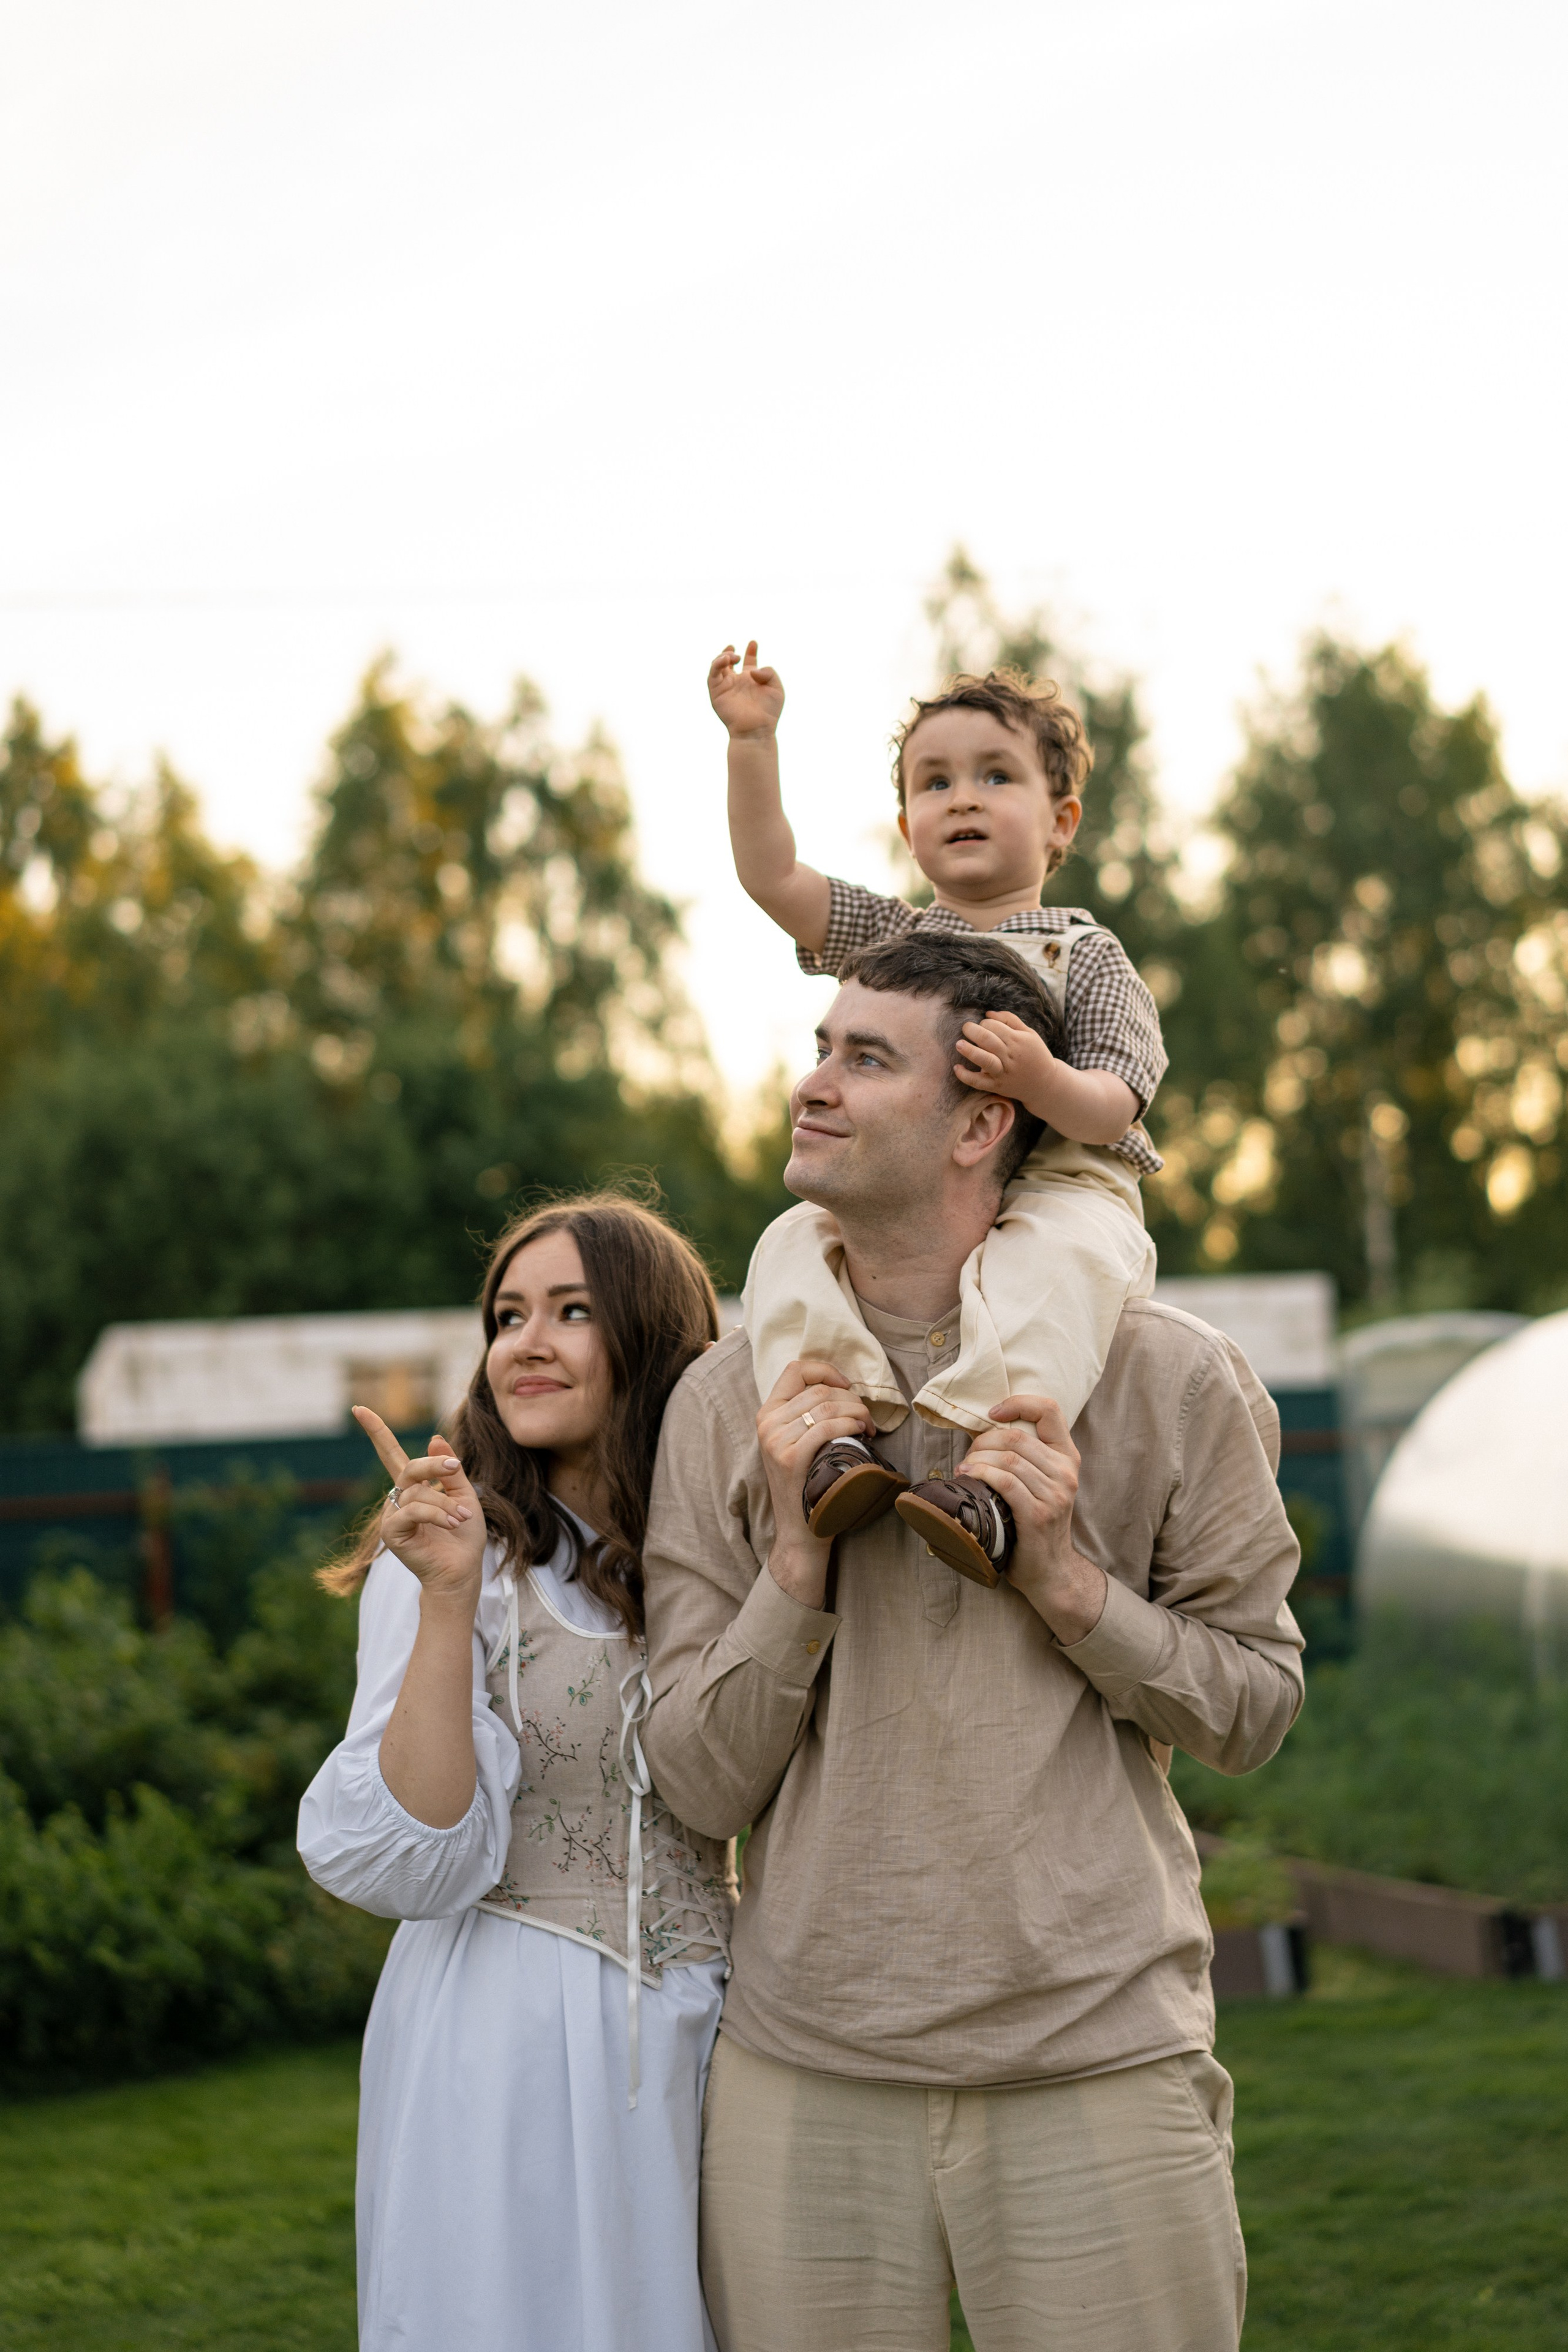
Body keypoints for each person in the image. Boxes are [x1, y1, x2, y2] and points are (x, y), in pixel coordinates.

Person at [640, 932, 1305, 2352]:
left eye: (862, 1058)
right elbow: (694, 1786)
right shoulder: (720, 1405)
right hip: (802, 2075)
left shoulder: (1170, 1377)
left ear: (981, 1119)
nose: (810, 1085)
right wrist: (796, 1560)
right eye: (820, 1048)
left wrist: (1067, 1584)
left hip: (1097, 2065)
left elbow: (1252, 1710)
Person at [298, 1194, 736, 2352]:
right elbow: (426, 1850)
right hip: (511, 2040)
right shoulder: (457, 1549)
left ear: (651, 1341)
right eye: (508, 1315)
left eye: (573, 1312)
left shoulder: (709, 1549)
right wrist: (446, 1597)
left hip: (723, 2032)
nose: (526, 1343)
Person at [709, 640, 1165, 1580]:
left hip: (1065, 1181)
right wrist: (752, 742)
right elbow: (773, 878)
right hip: (920, 1189)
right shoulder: (896, 937)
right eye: (934, 782)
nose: (961, 797)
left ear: (1061, 821)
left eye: (995, 776)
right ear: (908, 823)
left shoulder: (1090, 957)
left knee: (1061, 1267)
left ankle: (992, 1482)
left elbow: (1114, 1103)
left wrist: (1039, 1081)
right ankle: (834, 1435)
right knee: (792, 1244)